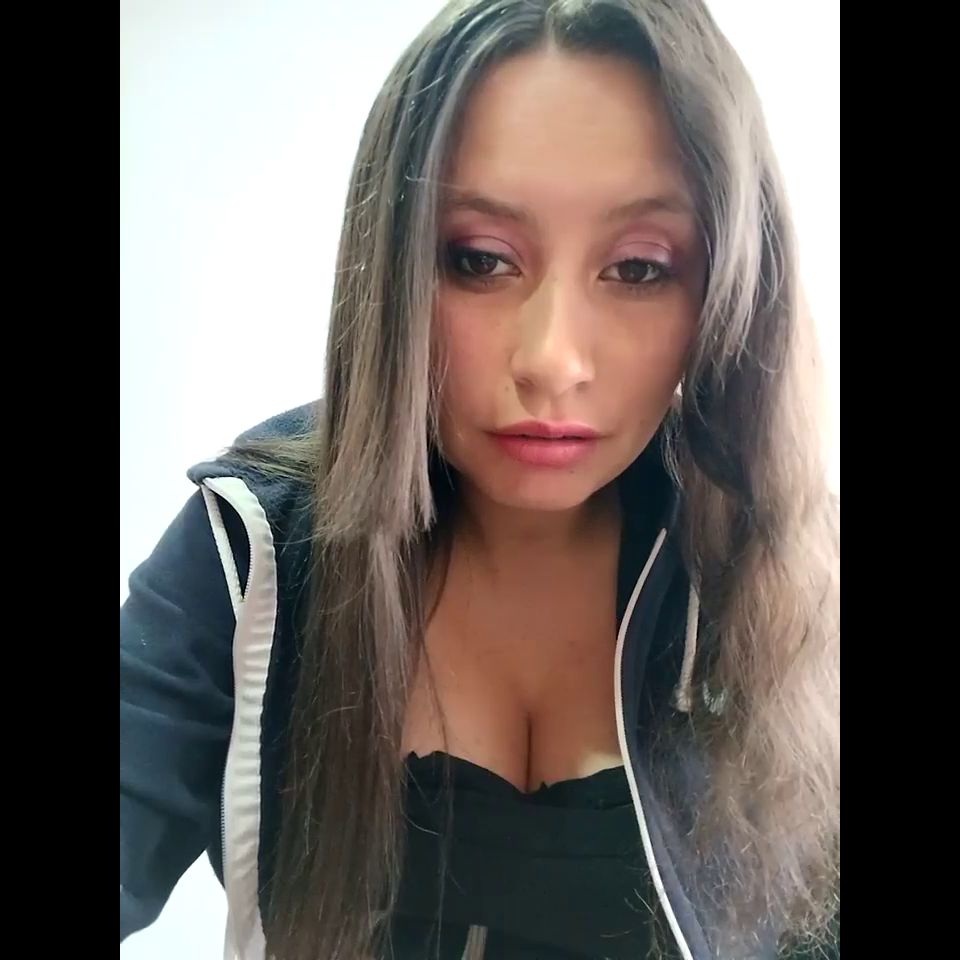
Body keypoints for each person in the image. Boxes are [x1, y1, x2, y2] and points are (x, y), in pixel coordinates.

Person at [119, 1, 840, 958]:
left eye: (637, 269)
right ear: (394, 268)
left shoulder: (800, 588)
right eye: (481, 260)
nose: (551, 361)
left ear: (730, 290)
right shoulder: (255, 551)